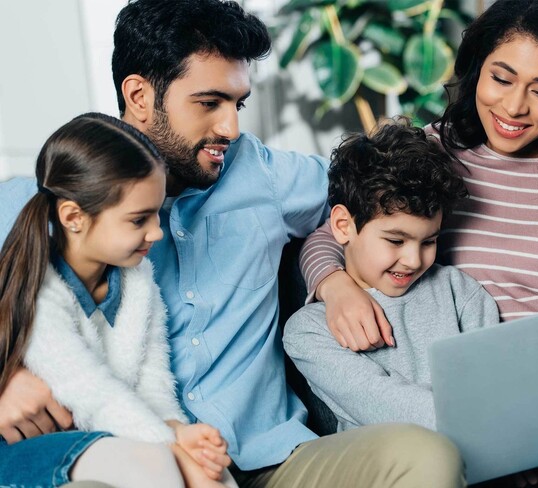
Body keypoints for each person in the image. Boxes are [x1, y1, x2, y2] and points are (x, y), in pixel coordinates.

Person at [0, 1, 464, 487]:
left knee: (424, 456)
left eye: (237, 104)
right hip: (147, 462)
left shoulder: (261, 172)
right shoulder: (51, 198)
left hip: (274, 461)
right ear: (139, 94)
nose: (230, 128)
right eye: (208, 103)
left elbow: (372, 203)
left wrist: (330, 278)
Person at [299, 0, 538, 486]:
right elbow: (337, 231)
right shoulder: (440, 151)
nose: (513, 107)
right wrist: (334, 284)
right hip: (487, 422)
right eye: (500, 79)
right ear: (475, 70)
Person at [0, 113, 235, 487]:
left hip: (106, 435)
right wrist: (172, 448)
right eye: (139, 219)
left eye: (157, 214)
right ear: (74, 217)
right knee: (156, 466)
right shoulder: (40, 290)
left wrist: (179, 431)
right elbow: (93, 395)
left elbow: (152, 385)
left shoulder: (139, 284)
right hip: (26, 452)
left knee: (213, 471)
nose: (157, 232)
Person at [284, 118, 500, 431]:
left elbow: (493, 384)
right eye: (395, 240)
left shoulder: (459, 291)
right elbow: (383, 405)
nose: (413, 260)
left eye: (429, 241)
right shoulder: (309, 331)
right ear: (344, 226)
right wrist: (490, 428)